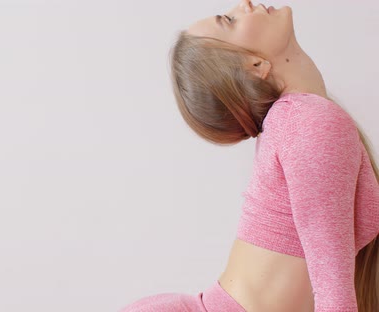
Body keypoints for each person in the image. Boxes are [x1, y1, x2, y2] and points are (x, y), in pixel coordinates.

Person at [119, 1, 379, 311]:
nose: (245, 5)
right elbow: (333, 290)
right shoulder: (307, 122)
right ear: (255, 66)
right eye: (229, 20)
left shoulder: (298, 122)